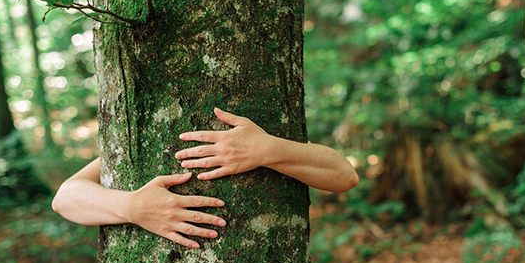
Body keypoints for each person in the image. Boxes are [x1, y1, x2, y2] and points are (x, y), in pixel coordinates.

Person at [52, 107, 359, 249]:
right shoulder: (138, 139)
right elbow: (65, 199)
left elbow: (344, 176)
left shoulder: (256, 129)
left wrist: (268, 149)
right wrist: (132, 206)